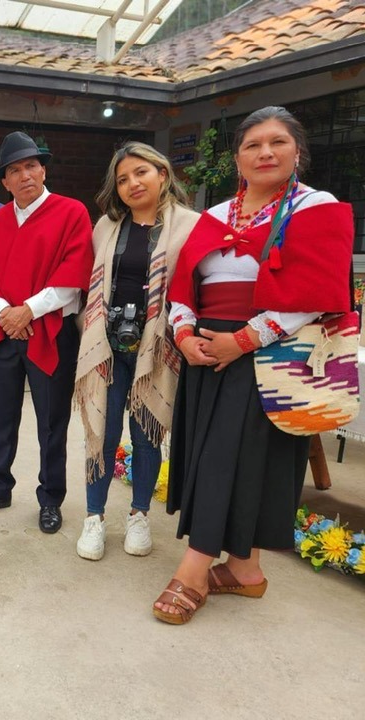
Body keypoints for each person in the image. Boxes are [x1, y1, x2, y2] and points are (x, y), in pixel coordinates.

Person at [153, 106, 354, 624]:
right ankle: (245, 571)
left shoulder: (316, 206)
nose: (265, 152)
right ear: (238, 159)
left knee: (226, 460)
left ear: (297, 152)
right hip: (206, 351)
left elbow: (319, 290)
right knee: (218, 458)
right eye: (252, 145)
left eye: (277, 142)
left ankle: (193, 571)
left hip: (270, 353)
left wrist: (244, 340)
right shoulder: (217, 214)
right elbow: (184, 285)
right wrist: (183, 332)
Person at [73, 142, 199, 561]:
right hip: (108, 346)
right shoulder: (107, 226)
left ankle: (139, 515)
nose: (132, 184)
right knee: (102, 434)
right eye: (123, 179)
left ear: (162, 173)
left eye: (141, 173)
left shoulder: (190, 225)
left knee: (147, 436)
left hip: (158, 346)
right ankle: (94, 517)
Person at [0, 131, 93, 534]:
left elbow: (73, 274)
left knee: (51, 422)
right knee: (0, 416)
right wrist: (6, 314)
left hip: (50, 332)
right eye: (15, 170)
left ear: (43, 170)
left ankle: (50, 497)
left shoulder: (71, 212)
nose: (25, 175)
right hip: (4, 332)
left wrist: (28, 312)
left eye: (31, 166)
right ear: (4, 182)